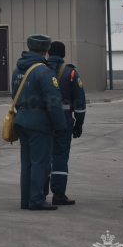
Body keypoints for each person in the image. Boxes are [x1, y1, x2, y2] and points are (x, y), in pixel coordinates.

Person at [11, 34, 66, 211]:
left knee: (27, 163)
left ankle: (26, 200)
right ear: (46, 50)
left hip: (22, 119)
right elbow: (53, 101)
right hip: (39, 122)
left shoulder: (18, 69)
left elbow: (15, 95)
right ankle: (36, 199)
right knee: (40, 163)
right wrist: (60, 125)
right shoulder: (44, 71)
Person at [44, 41, 86, 205]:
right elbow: (80, 101)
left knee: (43, 156)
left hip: (44, 120)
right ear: (63, 55)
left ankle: (40, 192)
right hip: (64, 119)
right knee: (60, 155)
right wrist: (79, 123)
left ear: (48, 53)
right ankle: (59, 193)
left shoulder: (41, 70)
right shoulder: (70, 73)